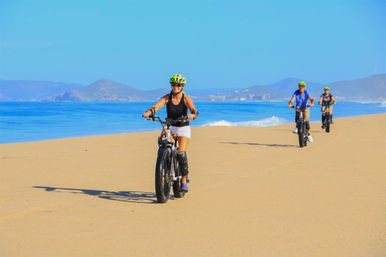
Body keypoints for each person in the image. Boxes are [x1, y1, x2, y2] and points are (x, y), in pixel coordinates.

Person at [142, 74, 198, 192]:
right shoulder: (167, 97)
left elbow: (194, 110)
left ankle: (183, 181)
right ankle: (165, 164)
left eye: (178, 85)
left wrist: (192, 115)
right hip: (170, 126)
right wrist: (148, 112)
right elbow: (157, 106)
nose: (175, 87)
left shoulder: (186, 98)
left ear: (182, 86)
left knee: (181, 153)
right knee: (163, 142)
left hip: (183, 128)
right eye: (173, 84)